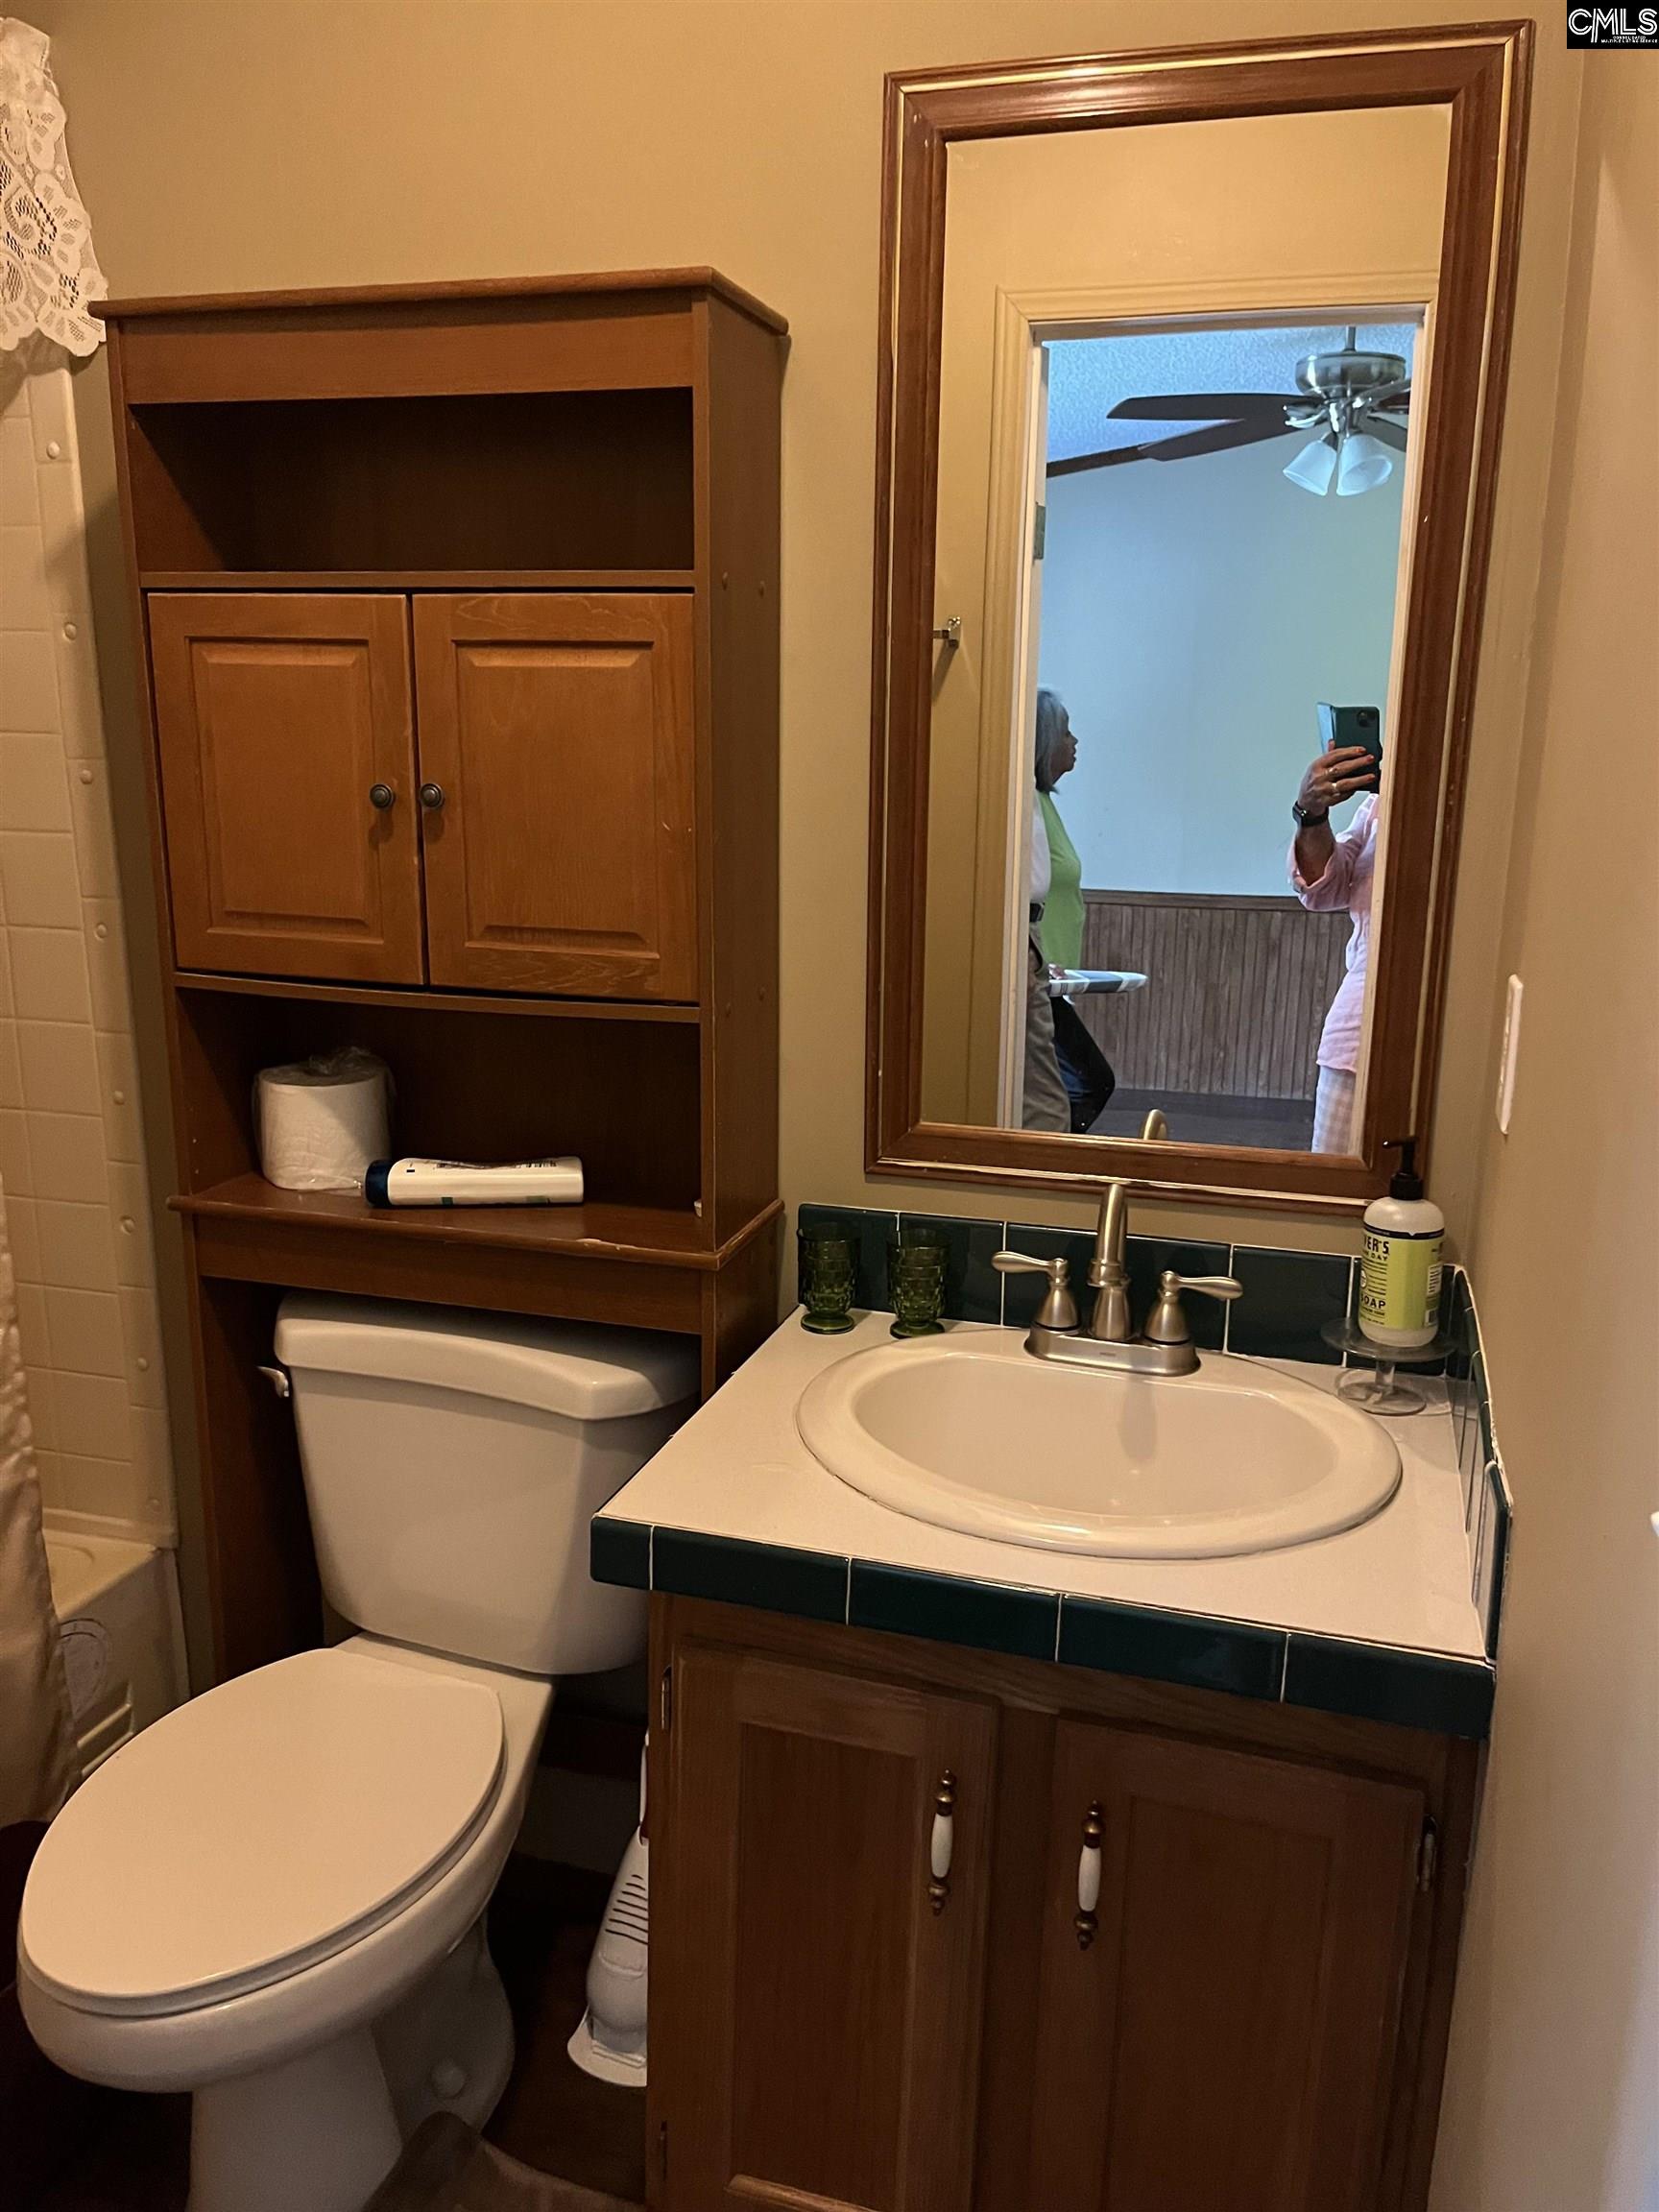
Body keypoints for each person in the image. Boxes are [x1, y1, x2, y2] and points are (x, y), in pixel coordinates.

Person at [1290, 740, 1382, 1152]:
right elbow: (1323, 888)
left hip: (1445, 1025)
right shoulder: (1379, 802)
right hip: (1355, 1029)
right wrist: (1311, 813)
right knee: (1332, 1175)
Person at [1033, 689, 1115, 1132]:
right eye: (1066, 732)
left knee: (1076, 1085)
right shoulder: (1025, 806)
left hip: (1051, 981)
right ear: (1044, 740)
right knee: (1089, 1082)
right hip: (1036, 979)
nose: (1075, 740)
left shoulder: (1044, 804)